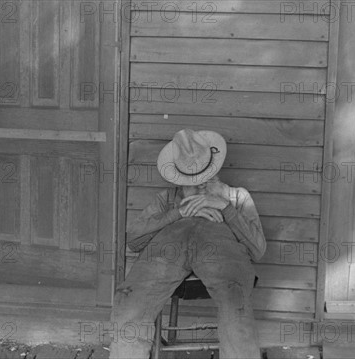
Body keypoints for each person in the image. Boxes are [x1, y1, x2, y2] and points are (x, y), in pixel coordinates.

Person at [109, 129, 266, 359]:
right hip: (168, 253)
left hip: (221, 254)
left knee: (235, 303)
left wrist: (225, 207)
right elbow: (134, 239)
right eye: (191, 183)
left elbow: (258, 249)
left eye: (206, 180)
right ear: (178, 178)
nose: (200, 187)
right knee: (127, 300)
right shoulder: (168, 199)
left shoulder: (236, 196)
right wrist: (177, 214)